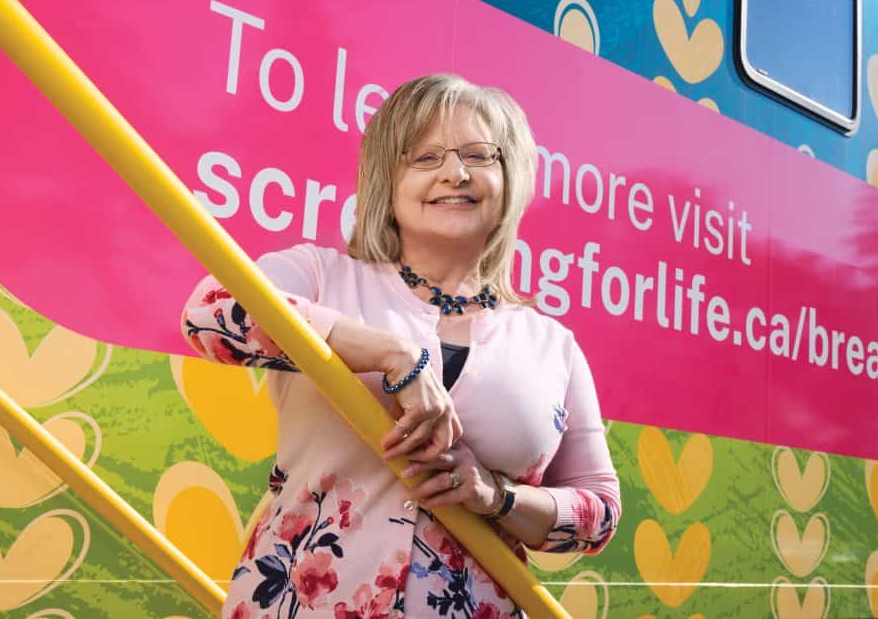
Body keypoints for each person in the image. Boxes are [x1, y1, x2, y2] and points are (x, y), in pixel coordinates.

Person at [182, 74, 620, 619]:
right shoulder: (321, 275)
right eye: (426, 157)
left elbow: (599, 511)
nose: (455, 174)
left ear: (510, 179)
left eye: (478, 155)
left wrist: (495, 497)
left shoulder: (554, 347)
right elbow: (209, 311)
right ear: (386, 180)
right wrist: (393, 356)